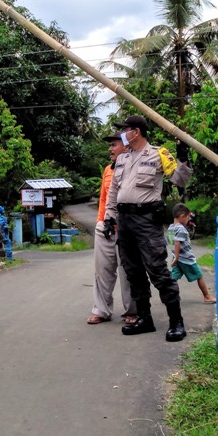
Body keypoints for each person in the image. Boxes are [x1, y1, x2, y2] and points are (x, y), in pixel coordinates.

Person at [104, 115, 190, 341]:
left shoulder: (158, 154)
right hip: (125, 221)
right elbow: (114, 192)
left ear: (137, 132)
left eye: (126, 130)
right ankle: (144, 319)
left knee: (158, 271)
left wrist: (183, 156)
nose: (123, 134)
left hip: (146, 220)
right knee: (133, 273)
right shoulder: (122, 159)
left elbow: (180, 180)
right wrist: (108, 218)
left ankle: (176, 322)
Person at [87, 132, 137, 325]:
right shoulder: (108, 169)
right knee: (102, 271)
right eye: (110, 145)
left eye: (114, 144)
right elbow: (103, 199)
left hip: (127, 228)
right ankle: (101, 309)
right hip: (105, 227)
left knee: (127, 271)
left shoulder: (134, 168)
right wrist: (101, 223)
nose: (110, 148)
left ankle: (132, 311)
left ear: (126, 147)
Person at [167, 203, 215, 303]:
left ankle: (171, 296)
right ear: (182, 216)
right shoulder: (181, 229)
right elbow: (176, 243)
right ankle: (207, 296)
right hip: (186, 259)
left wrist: (175, 258)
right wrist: (177, 257)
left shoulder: (170, 228)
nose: (189, 220)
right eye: (188, 217)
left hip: (176, 259)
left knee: (174, 278)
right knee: (199, 275)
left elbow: (171, 242)